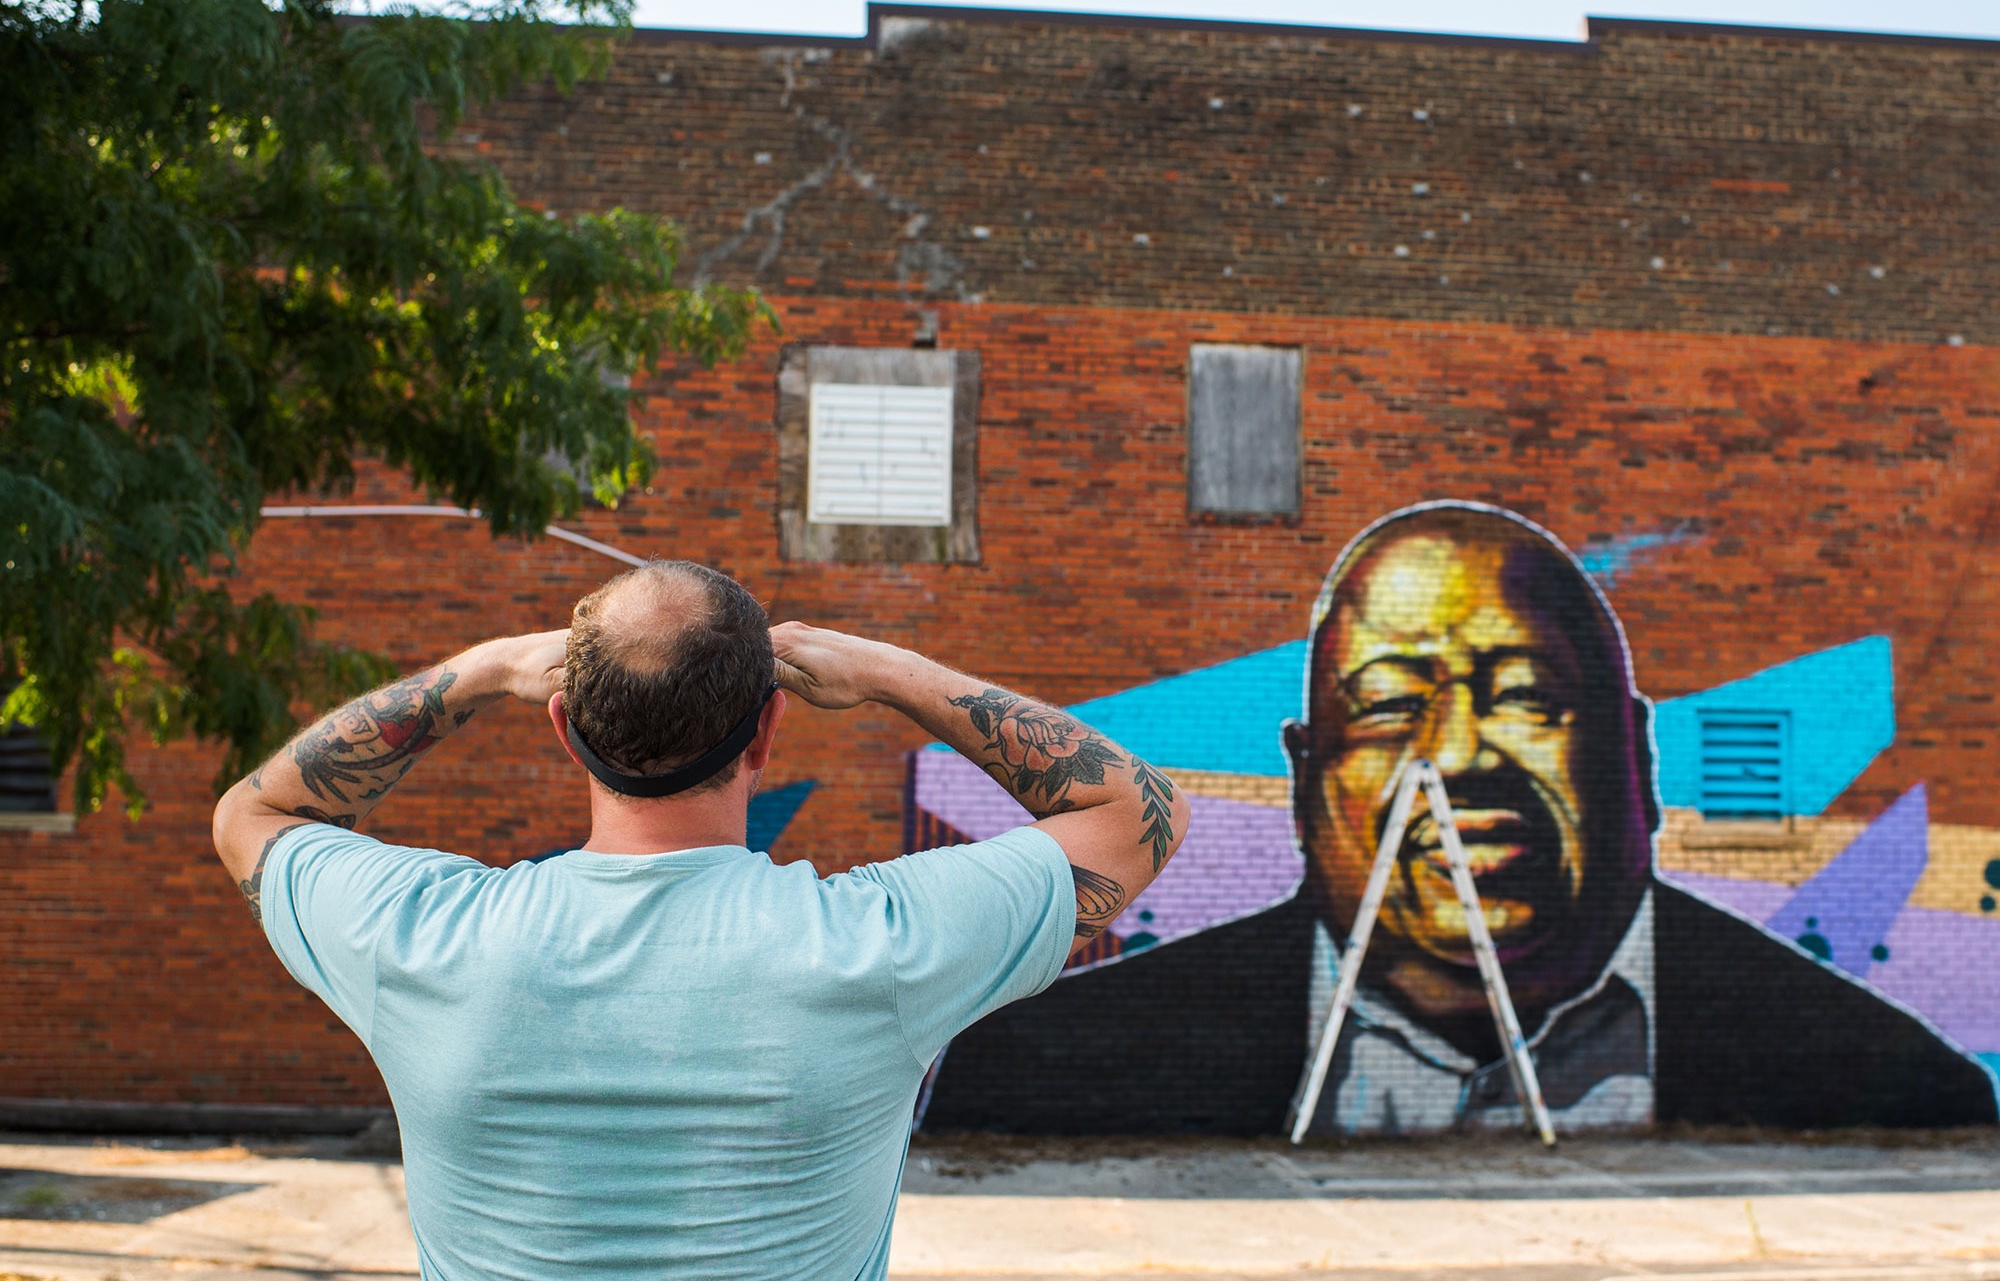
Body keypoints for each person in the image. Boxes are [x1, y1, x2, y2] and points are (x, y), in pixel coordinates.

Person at [211, 560, 1189, 1279]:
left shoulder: (419, 936)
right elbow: (1138, 811)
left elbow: (253, 814)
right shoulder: (875, 948)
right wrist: (887, 672)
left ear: (563, 728)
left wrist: (478, 670)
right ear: (768, 729)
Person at [919, 502, 1998, 1135]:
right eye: (1387, 705)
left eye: (1527, 696)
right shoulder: (1047, 1065)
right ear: (1306, 777)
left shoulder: (1888, 1073)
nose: (1453, 756)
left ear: (1633, 757)